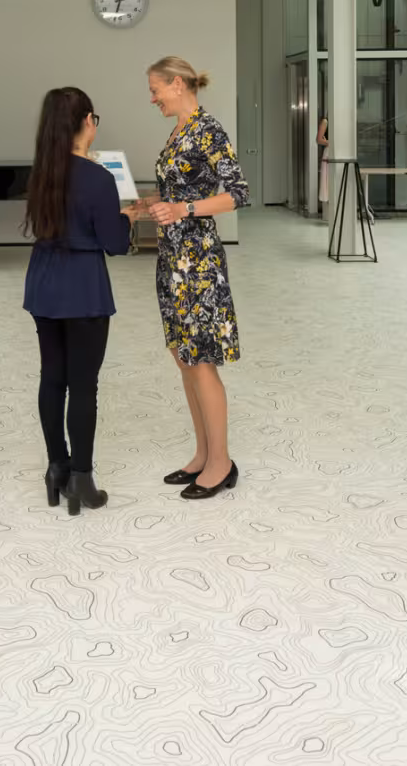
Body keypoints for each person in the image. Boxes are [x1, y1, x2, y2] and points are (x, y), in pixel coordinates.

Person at [23, 87, 139, 516]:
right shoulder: (98, 178)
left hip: (44, 283)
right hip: (84, 287)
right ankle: (82, 479)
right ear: (87, 121)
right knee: (83, 384)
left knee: (52, 378)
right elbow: (114, 244)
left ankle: (56, 468)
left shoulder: (41, 173)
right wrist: (126, 218)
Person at [146, 56, 249, 500]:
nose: (152, 98)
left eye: (155, 90)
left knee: (201, 359)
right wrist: (151, 206)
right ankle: (204, 453)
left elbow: (238, 193)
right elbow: (177, 193)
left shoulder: (208, 128)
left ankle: (221, 463)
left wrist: (183, 209)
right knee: (184, 356)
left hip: (198, 260)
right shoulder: (178, 131)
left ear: (176, 83)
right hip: (172, 257)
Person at [317, 115, 329, 205]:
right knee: (327, 178)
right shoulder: (325, 121)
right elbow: (319, 139)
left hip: (335, 152)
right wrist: (329, 142)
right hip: (329, 152)